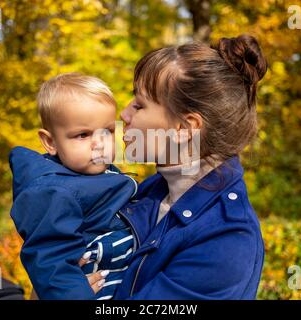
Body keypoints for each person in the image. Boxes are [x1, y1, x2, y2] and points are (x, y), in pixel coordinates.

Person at [85, 34, 268, 299]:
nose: (124, 115)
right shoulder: (153, 190)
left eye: (139, 105)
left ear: (185, 128)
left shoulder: (227, 239)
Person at [9, 73, 137, 300]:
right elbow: (50, 261)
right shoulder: (53, 192)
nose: (99, 144)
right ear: (50, 142)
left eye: (107, 131)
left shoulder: (103, 174)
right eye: (82, 135)